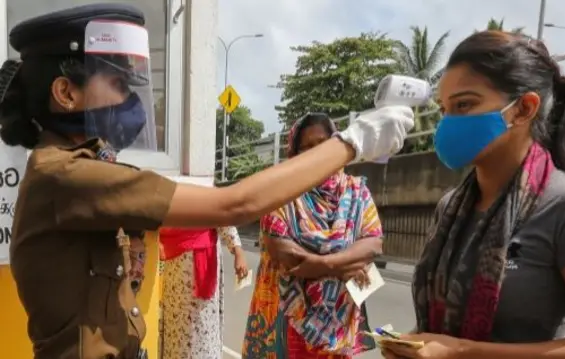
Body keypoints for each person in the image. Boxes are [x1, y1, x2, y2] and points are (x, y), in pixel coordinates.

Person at [1, 4, 413, 358]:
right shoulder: (67, 176)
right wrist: (352, 142)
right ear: (65, 93)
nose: (128, 101)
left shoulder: (79, 168)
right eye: (117, 84)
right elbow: (235, 205)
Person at [381, 31, 565, 359]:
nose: (447, 123)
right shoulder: (450, 208)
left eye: (465, 104)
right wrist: (417, 344)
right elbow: (447, 326)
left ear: (523, 109)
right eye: (444, 109)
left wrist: (462, 352)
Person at [242, 113, 383, 359]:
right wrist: (341, 267)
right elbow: (285, 255)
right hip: (287, 316)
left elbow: (373, 242)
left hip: (339, 324)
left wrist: (321, 263)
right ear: (295, 154)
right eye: (307, 147)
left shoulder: (356, 191)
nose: (317, 154)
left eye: (323, 145)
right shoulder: (280, 193)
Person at [159, 225, 247, 359]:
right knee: (182, 329)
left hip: (200, 261)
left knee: (202, 330)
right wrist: (237, 249)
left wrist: (237, 249)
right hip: (179, 264)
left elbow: (220, 212)